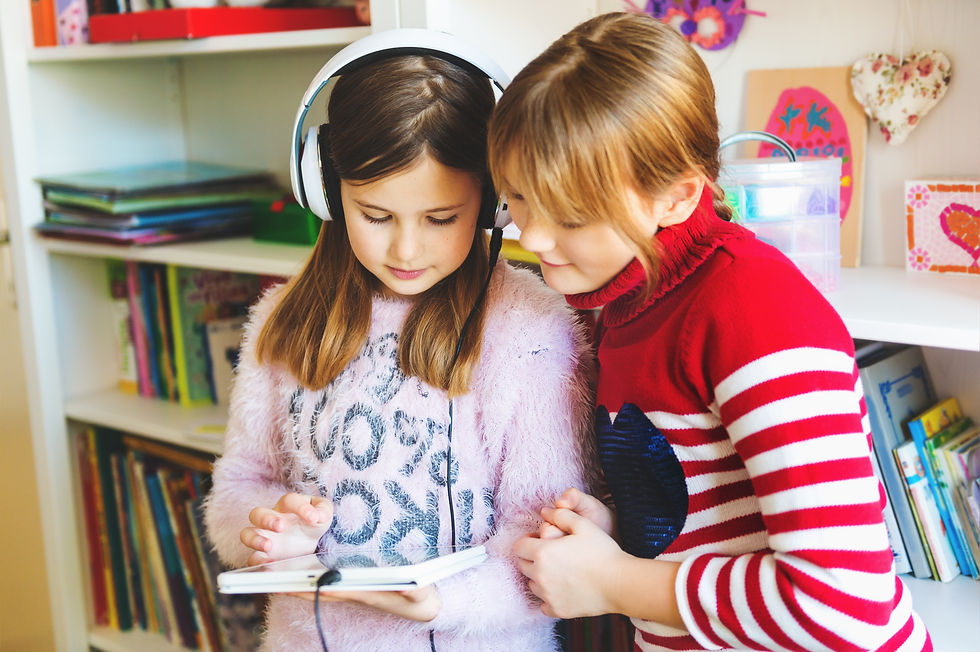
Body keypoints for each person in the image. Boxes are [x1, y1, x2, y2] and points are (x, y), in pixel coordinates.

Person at [492, 12, 932, 652]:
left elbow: (844, 607)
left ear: (675, 196)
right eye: (519, 199)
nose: (530, 237)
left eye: (572, 215)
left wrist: (617, 582)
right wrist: (621, 533)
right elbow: (723, 516)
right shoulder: (626, 296)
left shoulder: (756, 308)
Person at [204, 31, 596, 651]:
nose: (407, 250)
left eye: (441, 218)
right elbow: (239, 486)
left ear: (492, 198)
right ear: (328, 191)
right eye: (376, 215)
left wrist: (442, 602)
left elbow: (545, 543)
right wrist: (264, 526)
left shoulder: (530, 331)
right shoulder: (284, 319)